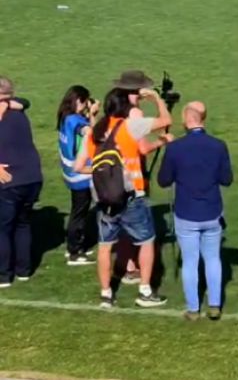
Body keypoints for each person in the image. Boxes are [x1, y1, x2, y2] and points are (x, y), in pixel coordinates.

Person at [74, 87, 172, 307]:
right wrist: (157, 98)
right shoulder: (129, 126)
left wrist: (101, 172)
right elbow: (166, 120)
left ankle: (106, 294)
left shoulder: (95, 131)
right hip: (131, 194)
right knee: (146, 241)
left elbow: (78, 167)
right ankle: (145, 291)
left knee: (105, 246)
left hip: (103, 198)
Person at [157, 102, 233, 321]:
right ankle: (215, 305)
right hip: (211, 211)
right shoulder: (218, 145)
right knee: (213, 258)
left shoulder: (176, 148)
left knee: (190, 262)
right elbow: (226, 179)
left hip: (186, 212)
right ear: (202, 119)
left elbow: (163, 180)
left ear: (185, 121)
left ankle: (193, 308)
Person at [0, 77, 42, 288]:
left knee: (3, 228)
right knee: (22, 223)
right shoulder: (19, 112)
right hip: (32, 176)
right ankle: (23, 270)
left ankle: (4, 275)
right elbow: (24, 102)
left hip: (9, 178)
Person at [56, 85, 99, 266]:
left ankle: (75, 245)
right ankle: (74, 252)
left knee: (78, 211)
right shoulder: (76, 120)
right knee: (79, 214)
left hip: (70, 172)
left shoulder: (65, 118)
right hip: (81, 175)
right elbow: (91, 134)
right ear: (80, 101)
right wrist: (93, 115)